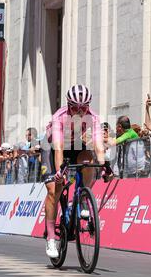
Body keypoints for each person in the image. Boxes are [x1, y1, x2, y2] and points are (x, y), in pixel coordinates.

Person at [40, 84, 112, 259]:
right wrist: (59, 172)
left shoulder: (93, 117)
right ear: (68, 105)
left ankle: (84, 197)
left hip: (75, 145)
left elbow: (98, 145)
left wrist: (105, 166)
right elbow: (58, 149)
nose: (79, 112)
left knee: (88, 159)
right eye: (75, 108)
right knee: (54, 190)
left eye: (83, 108)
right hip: (52, 147)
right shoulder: (60, 117)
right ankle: (51, 237)